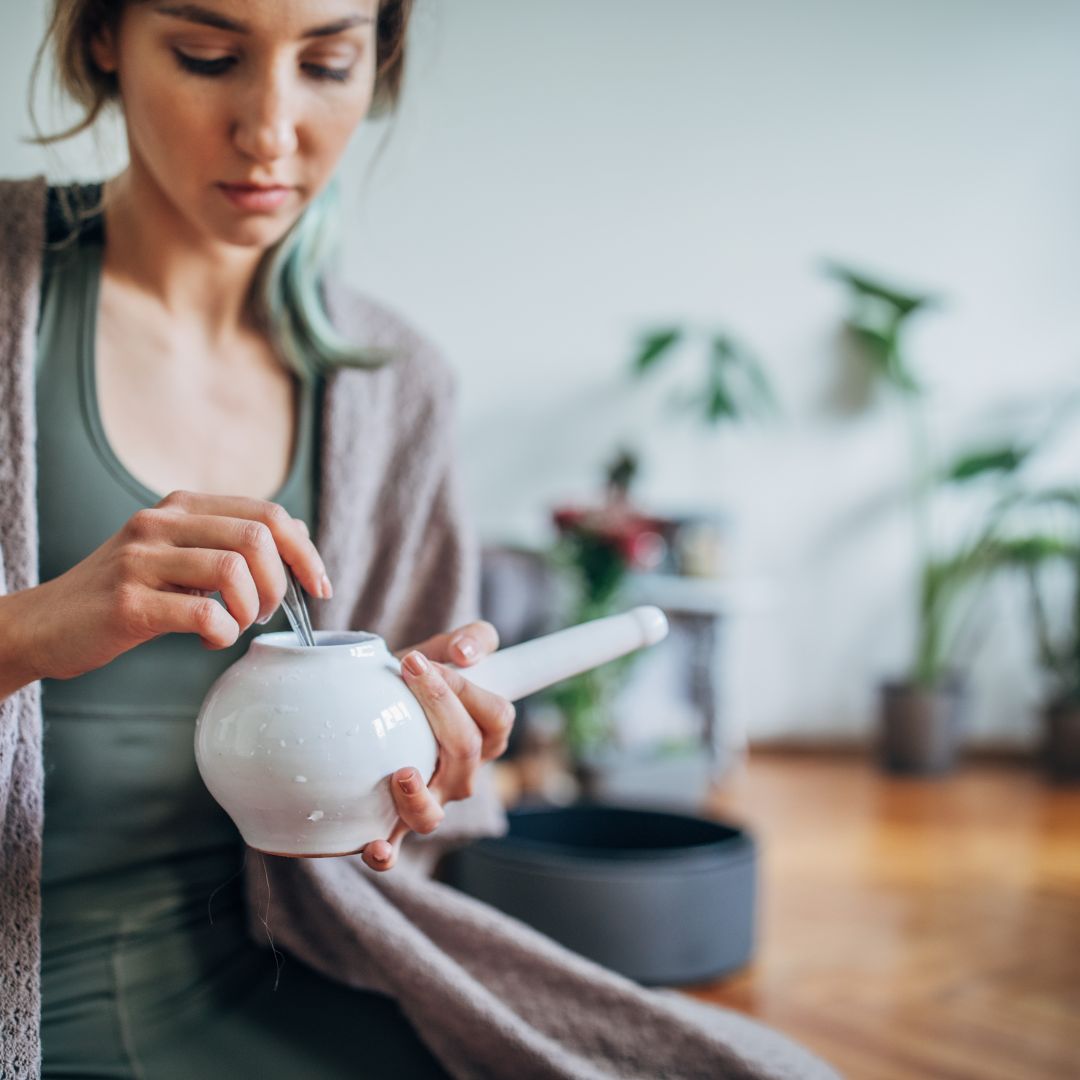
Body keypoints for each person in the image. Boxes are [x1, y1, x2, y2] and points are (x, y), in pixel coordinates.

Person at [0, 2, 840, 1077]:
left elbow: (406, 837)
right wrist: (28, 630)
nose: (270, 126)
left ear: (378, 64)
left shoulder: (394, 392)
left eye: (328, 62)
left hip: (288, 981)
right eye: (208, 56)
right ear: (105, 36)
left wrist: (414, 762)